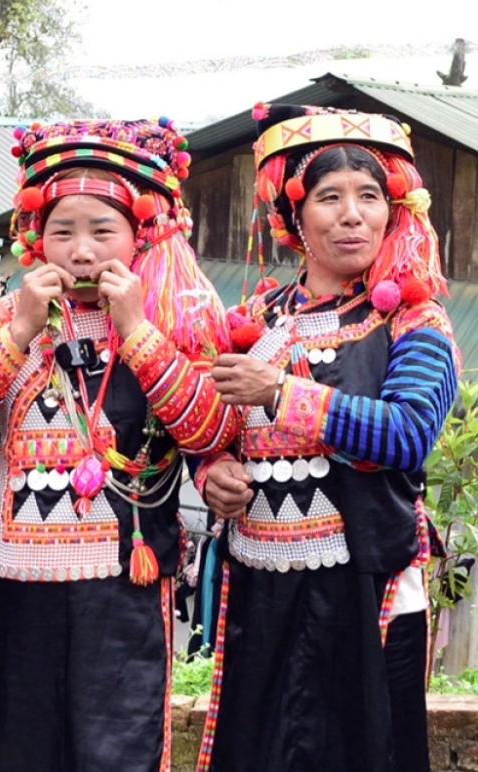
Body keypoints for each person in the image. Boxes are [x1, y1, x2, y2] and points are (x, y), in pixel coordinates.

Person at [0, 119, 239, 772]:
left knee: (120, 742)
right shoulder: (5, 317)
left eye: (101, 231)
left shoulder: (169, 319)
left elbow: (209, 430)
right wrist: (19, 331)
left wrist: (137, 331)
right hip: (18, 575)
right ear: (36, 237)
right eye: (62, 231)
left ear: (140, 234)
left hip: (124, 577)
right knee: (19, 742)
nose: (81, 250)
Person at [197, 104, 457, 772]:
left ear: (392, 209)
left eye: (369, 196)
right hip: (259, 583)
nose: (351, 214)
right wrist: (213, 471)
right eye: (329, 197)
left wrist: (279, 393)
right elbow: (208, 427)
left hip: (365, 584)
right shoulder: (255, 320)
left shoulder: (414, 320)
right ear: (293, 216)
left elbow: (406, 434)